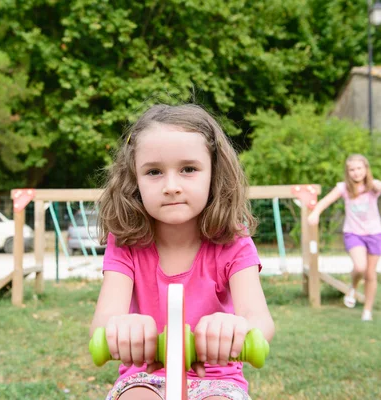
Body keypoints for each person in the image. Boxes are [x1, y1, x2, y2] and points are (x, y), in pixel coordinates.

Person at [90, 104, 275, 400]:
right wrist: (122, 328)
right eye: (154, 172)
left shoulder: (233, 242)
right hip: (143, 375)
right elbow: (102, 323)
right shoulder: (125, 243)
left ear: (214, 173)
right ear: (134, 180)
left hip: (218, 378)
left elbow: (260, 320)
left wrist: (235, 328)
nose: (171, 186)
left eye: (188, 169)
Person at [308, 154, 381, 321]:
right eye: (352, 170)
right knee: (360, 266)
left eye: (359, 168)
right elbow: (325, 201)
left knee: (370, 274)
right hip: (353, 233)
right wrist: (316, 213)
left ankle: (367, 310)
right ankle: (353, 287)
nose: (356, 173)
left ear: (366, 169)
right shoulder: (343, 188)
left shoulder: (372, 186)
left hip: (375, 233)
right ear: (347, 172)